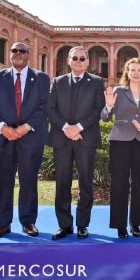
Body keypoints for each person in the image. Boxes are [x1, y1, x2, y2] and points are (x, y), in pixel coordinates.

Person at [0, 42, 50, 239]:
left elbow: (44, 107)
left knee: (29, 181)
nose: (18, 54)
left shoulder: (41, 78)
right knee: (2, 182)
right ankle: (2, 224)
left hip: (30, 137)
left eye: (22, 51)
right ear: (9, 54)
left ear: (29, 55)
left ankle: (28, 222)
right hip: (2, 138)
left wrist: (25, 127)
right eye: (14, 51)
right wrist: (2, 127)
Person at [46, 46, 105, 240]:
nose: (78, 61)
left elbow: (98, 110)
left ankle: (82, 224)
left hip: (85, 139)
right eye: (75, 58)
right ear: (69, 61)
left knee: (86, 183)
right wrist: (66, 128)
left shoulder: (97, 83)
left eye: (82, 58)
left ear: (88, 62)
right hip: (62, 139)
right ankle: (64, 225)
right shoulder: (57, 81)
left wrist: (78, 127)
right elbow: (50, 108)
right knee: (62, 182)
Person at [101, 58, 140, 239]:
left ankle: (136, 223)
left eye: (139, 70)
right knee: (119, 183)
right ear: (127, 72)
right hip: (120, 141)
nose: (136, 73)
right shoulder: (118, 91)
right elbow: (104, 117)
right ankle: (120, 225)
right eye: (132, 70)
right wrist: (109, 106)